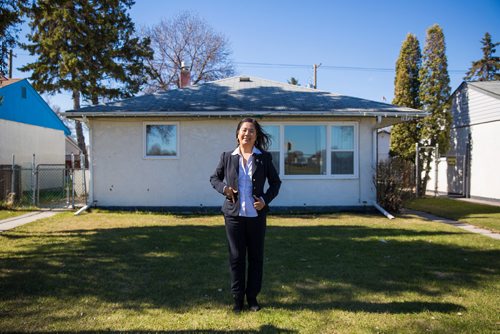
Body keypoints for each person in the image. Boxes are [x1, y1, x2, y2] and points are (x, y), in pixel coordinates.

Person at [210, 118, 281, 313]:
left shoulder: (264, 158)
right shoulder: (227, 156)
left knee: (256, 257)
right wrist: (225, 189)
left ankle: (252, 298)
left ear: (256, 136)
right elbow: (214, 178)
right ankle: (237, 299)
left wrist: (265, 200)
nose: (247, 134)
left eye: (251, 131)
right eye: (244, 130)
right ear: (237, 134)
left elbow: (276, 183)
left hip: (256, 216)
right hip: (233, 216)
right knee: (236, 257)